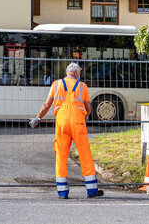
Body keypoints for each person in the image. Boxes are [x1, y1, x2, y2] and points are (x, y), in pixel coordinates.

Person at [29, 62, 103, 199]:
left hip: (62, 122)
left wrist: (38, 118)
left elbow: (47, 104)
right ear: (76, 73)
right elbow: (88, 107)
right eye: (79, 74)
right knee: (84, 152)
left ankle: (62, 191)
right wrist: (85, 114)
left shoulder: (56, 84)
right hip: (78, 122)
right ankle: (92, 190)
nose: (79, 75)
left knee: (61, 155)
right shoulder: (83, 86)